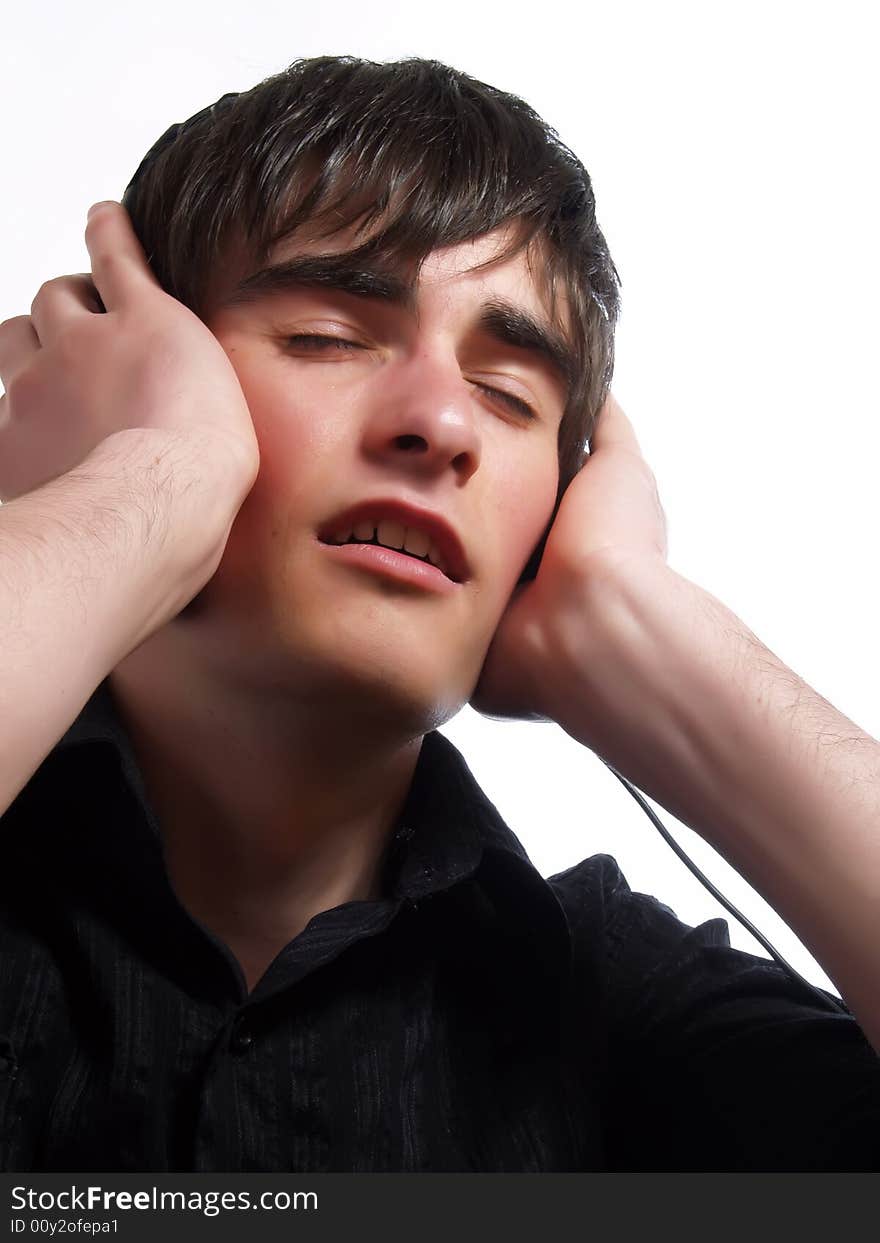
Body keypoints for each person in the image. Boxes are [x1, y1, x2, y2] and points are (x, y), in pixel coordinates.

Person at [0, 55, 877, 1174]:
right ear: (121, 380)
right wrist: (141, 484)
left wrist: (645, 629)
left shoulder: (614, 1004)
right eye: (326, 336)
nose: (443, 425)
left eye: (511, 397)